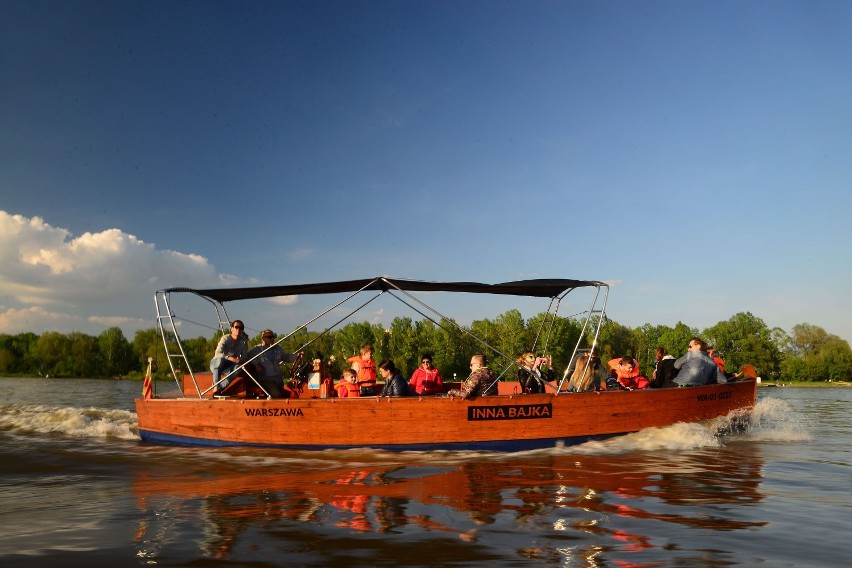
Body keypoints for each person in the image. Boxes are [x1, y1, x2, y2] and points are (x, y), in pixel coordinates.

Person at [245, 329, 298, 398]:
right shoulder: (256, 350)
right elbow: (246, 358)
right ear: (263, 338)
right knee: (277, 395)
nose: (272, 339)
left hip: (278, 379)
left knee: (284, 395)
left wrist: (297, 355)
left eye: (273, 337)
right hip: (265, 379)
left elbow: (287, 357)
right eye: (269, 337)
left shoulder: (278, 349)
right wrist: (256, 364)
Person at [209, 320, 249, 393]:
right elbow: (217, 353)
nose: (238, 329)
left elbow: (245, 358)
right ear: (232, 329)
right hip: (216, 364)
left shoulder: (243, 342)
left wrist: (241, 359)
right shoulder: (225, 338)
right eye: (236, 327)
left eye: (241, 328)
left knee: (238, 368)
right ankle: (215, 387)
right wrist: (231, 358)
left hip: (229, 367)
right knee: (219, 360)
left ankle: (219, 387)